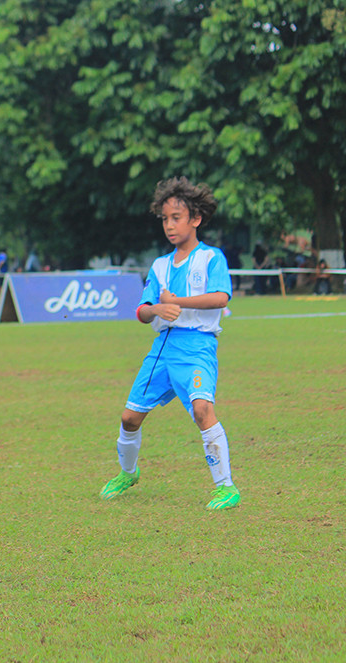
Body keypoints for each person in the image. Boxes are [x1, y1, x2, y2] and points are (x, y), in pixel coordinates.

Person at [98, 177, 239, 511]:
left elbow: (221, 297)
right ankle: (128, 473)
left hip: (197, 347)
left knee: (203, 410)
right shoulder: (160, 265)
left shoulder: (211, 258)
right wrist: (157, 309)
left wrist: (179, 302)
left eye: (177, 217)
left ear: (196, 219)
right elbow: (142, 311)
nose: (170, 225)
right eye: (165, 219)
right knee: (129, 418)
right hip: (162, 349)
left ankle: (226, 488)